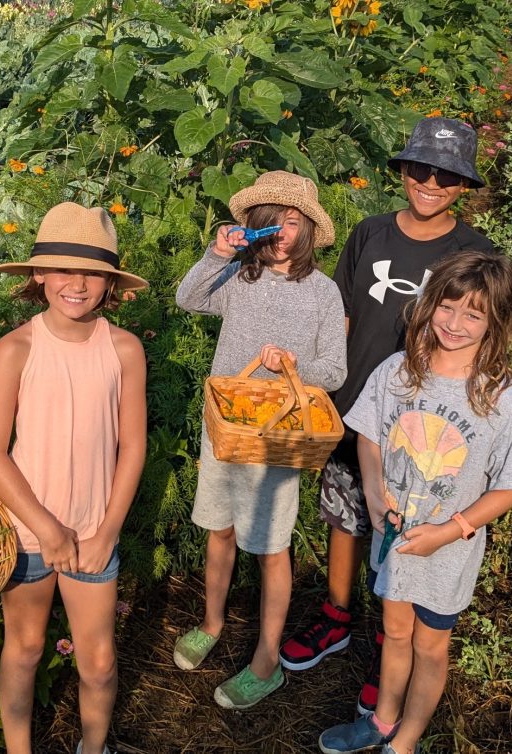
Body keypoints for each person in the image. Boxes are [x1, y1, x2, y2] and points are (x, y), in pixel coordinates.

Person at [279, 117, 497, 716]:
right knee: (347, 514)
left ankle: (388, 643)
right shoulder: (369, 234)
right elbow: (344, 317)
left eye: (447, 174)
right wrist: (324, 392)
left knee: (401, 533)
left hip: (420, 428)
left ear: (463, 184)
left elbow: (486, 336)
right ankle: (336, 616)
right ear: (402, 170)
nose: (430, 182)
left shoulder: (474, 254)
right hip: (356, 408)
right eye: (420, 169)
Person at [317, 249, 512, 754]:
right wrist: (373, 490)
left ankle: (405, 742)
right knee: (394, 632)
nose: (455, 324)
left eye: (473, 314)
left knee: (430, 647)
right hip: (394, 538)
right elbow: (369, 435)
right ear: (430, 303)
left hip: (445, 552)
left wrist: (450, 530)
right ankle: (383, 720)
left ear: (496, 322)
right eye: (447, 307)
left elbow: (510, 485)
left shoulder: (498, 396)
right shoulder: (400, 370)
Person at [0, 202, 147, 754]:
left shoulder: (124, 349)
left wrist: (106, 531)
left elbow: (133, 445)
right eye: (64, 269)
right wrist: (47, 529)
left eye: (93, 272)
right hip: (28, 533)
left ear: (110, 283)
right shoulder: (15, 349)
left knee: (98, 661)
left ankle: (92, 747)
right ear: (39, 275)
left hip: (95, 532)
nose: (77, 283)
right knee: (23, 649)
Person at [173, 171, 348, 710]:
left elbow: (335, 371)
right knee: (219, 531)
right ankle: (211, 622)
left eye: (292, 222)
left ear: (309, 229)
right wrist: (216, 252)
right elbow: (187, 297)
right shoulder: (238, 279)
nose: (280, 233)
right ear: (252, 228)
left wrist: (295, 366)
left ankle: (267, 661)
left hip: (278, 440)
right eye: (269, 223)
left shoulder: (322, 292)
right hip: (226, 431)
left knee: (272, 548)